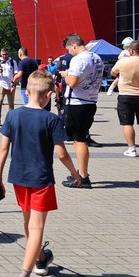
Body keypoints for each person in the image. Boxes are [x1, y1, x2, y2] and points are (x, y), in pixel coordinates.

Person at [0, 70, 81, 277]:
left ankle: (41, 259)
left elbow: (3, 149)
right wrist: (75, 173)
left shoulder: (12, 116)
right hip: (41, 179)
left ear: (26, 91)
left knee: (27, 222)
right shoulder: (51, 119)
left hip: (18, 179)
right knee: (36, 229)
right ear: (49, 95)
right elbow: (61, 154)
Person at [59, 33, 104, 189]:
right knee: (81, 138)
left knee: (79, 140)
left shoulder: (79, 59)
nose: (69, 53)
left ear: (73, 45)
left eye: (69, 50)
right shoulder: (97, 58)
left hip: (78, 103)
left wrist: (65, 75)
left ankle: (83, 177)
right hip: (91, 101)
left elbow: (71, 82)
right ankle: (81, 172)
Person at [110, 40, 139, 158]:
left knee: (127, 123)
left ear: (131, 50)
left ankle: (132, 149)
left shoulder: (123, 62)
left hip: (126, 94)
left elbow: (113, 73)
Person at [0, 48, 20, 126]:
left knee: (11, 103)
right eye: (3, 54)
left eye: (6, 54)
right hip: (1, 84)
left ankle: (10, 119)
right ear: (1, 54)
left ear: (8, 54)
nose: (4, 56)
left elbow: (16, 74)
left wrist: (14, 84)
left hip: (10, 84)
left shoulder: (12, 62)